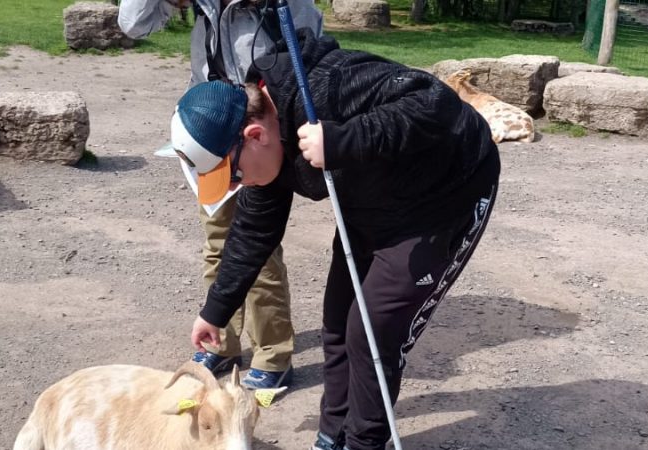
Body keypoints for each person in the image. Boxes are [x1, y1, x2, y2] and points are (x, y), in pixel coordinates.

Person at [170, 29, 501, 450]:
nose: (236, 185)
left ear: (255, 135)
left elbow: (436, 103)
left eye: (232, 174)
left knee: (373, 334)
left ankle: (365, 443)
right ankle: (331, 436)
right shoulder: (265, 152)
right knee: (338, 326)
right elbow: (254, 232)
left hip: (445, 199)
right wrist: (215, 311)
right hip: (370, 207)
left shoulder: (329, 85)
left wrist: (345, 139)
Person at [118, 0, 323, 389]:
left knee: (258, 249)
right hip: (210, 135)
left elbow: (312, 50)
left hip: (256, 137)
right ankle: (222, 340)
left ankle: (273, 353)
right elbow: (132, 24)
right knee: (217, 244)